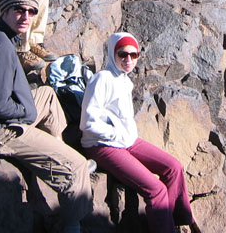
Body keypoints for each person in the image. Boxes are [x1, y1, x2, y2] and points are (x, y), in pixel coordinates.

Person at [0, 0, 93, 233]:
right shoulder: (0, 46)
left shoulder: (1, 37)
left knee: (47, 94)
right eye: (18, 9)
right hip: (3, 130)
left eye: (31, 11)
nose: (26, 16)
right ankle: (72, 224)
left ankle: (57, 150)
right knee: (77, 167)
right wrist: (26, 114)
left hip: (4, 116)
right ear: (4, 11)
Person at [80, 33, 203, 233]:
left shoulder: (124, 80)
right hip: (102, 145)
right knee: (156, 190)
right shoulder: (102, 79)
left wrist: (124, 137)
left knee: (174, 167)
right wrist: (117, 135)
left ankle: (175, 219)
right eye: (122, 54)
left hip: (126, 141)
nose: (128, 60)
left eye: (133, 55)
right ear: (113, 53)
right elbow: (87, 124)